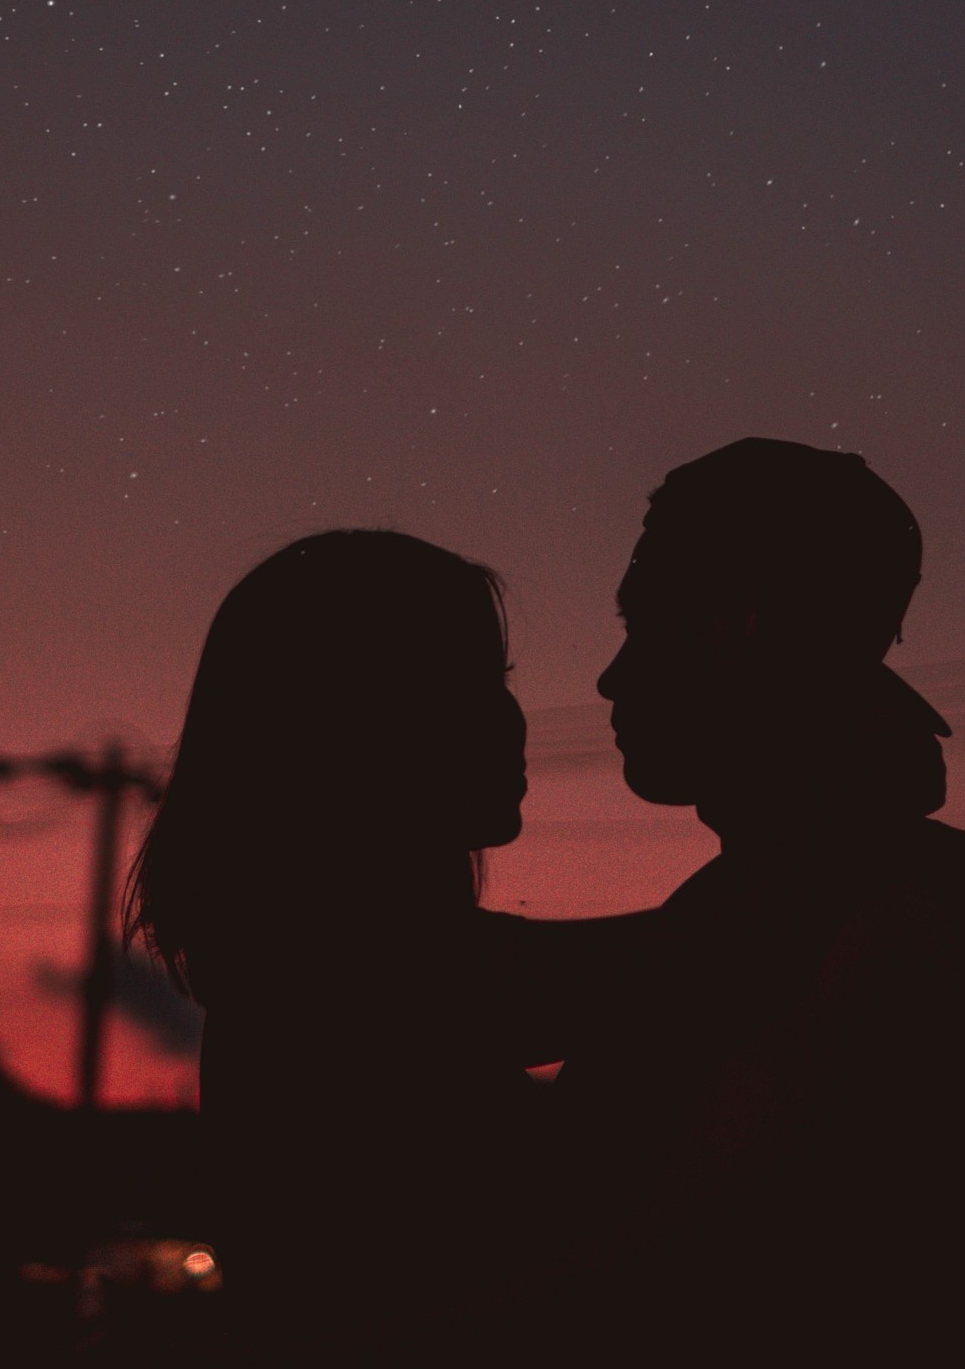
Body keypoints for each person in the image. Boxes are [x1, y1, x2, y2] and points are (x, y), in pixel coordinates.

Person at [550, 437, 965, 1366]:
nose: (611, 676)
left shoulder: (833, 954)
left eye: (645, 622)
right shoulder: (857, 906)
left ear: (744, 630)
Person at [125, 528, 654, 1364]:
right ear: (358, 722)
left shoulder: (308, 962)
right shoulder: (335, 971)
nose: (513, 716)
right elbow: (690, 962)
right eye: (475, 684)